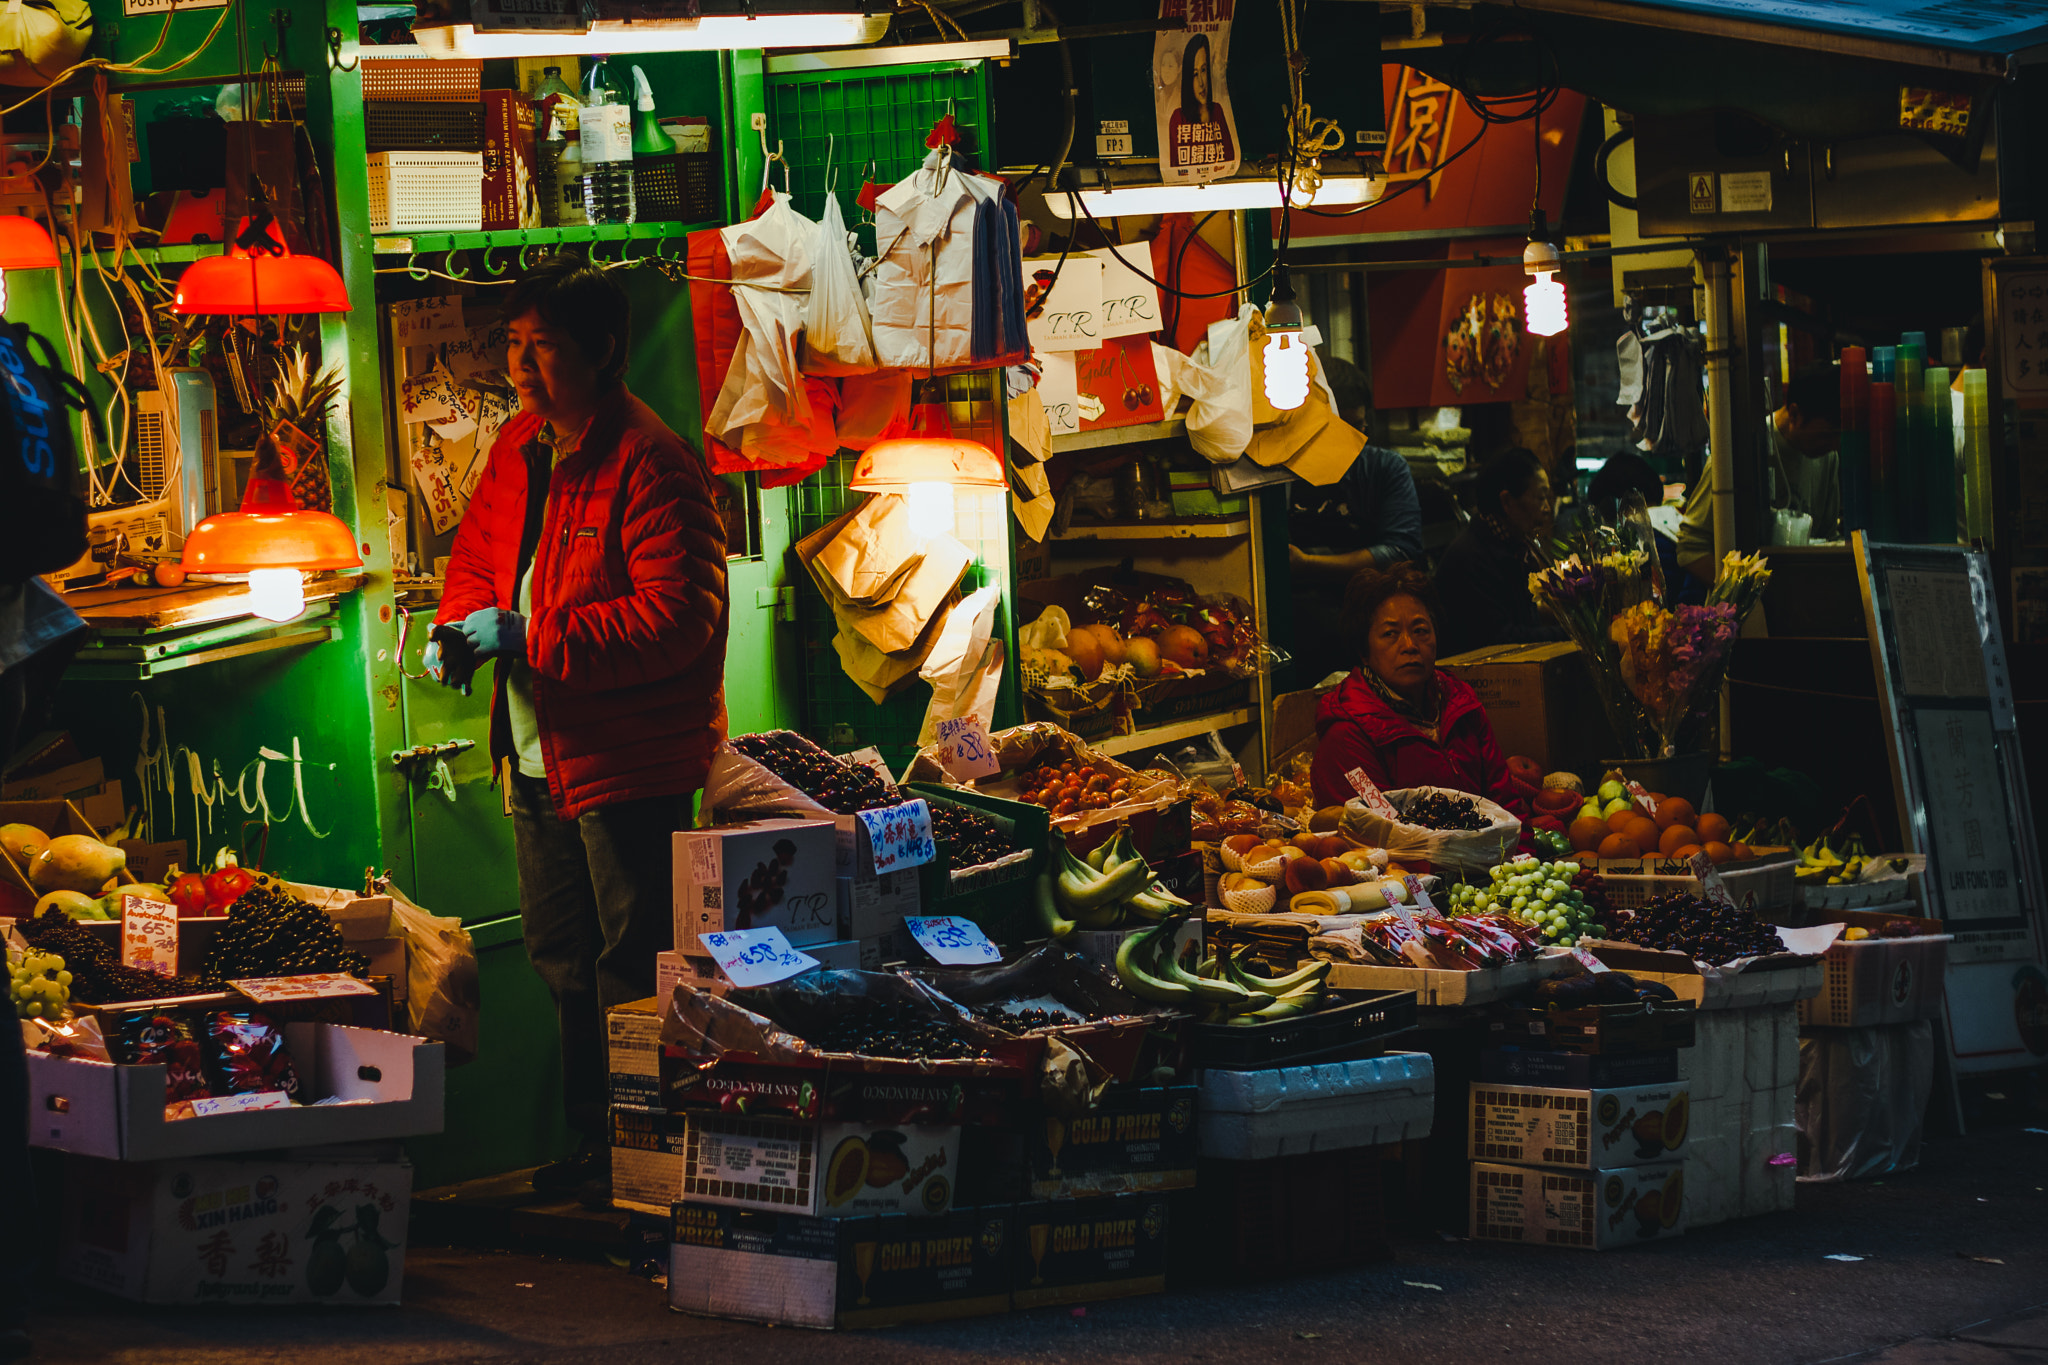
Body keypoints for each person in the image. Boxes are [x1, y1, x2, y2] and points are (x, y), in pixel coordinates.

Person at [428, 254, 730, 1201]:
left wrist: (533, 634)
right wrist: (459, 629)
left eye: (543, 348)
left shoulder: (651, 461)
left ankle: (649, 1154)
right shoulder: (521, 447)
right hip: (533, 757)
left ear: (603, 350)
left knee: (630, 969)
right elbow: (477, 559)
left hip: (624, 766)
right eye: (514, 347)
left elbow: (680, 617)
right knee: (562, 961)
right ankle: (592, 1149)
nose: (522, 368)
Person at [1309, 564, 1526, 820]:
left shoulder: (1461, 702)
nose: (1410, 645)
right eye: (1390, 634)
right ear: (1363, 651)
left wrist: (1522, 856)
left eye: (1420, 630)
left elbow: (1505, 802)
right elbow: (1385, 830)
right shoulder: (1346, 737)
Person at [1287, 357, 1424, 686]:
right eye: (1341, 429)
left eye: (1360, 427)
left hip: (1372, 638)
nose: (1354, 439)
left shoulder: (1384, 469)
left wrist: (1307, 564)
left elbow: (1400, 553)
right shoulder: (1283, 472)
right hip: (1297, 639)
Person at [1676, 361, 1841, 581]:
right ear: (1794, 414)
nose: (1834, 444)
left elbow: (1828, 539)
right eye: (1827, 435)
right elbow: (1690, 549)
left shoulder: (1828, 457)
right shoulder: (1741, 449)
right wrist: (1744, 594)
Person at [1431, 447, 1563, 658]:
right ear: (1507, 502)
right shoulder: (1471, 558)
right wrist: (1569, 634)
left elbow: (1521, 618)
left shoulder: (1511, 545)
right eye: (1540, 498)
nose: (1547, 508)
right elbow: (1500, 640)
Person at [1165, 34, 1234, 171]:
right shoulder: (1178, 118)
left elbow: (1229, 161)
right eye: (1195, 74)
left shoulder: (1218, 111)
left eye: (1203, 70)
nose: (1201, 83)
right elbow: (1175, 169)